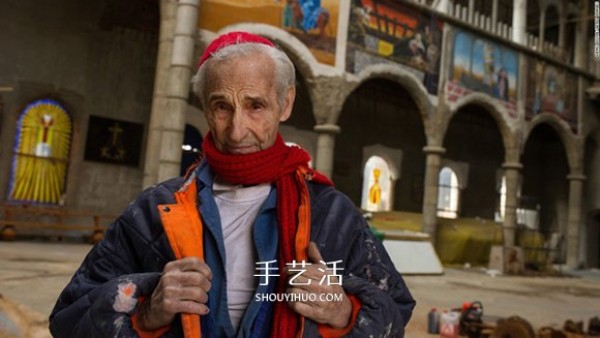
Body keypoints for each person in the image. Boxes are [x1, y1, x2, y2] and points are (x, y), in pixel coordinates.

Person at [49, 31, 415, 337]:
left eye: (255, 106)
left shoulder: (331, 212)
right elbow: (67, 319)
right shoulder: (154, 212)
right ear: (206, 109)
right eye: (222, 106)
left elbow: (395, 311)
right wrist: (144, 311)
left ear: (284, 104)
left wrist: (344, 313)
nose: (237, 129)